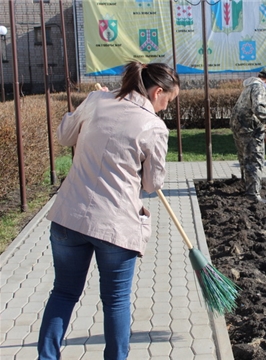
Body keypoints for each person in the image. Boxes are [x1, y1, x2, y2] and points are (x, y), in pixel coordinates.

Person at [37, 61, 180, 360]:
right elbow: (153, 184)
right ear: (157, 92)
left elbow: (65, 136)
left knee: (63, 293)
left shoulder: (96, 100)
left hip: (69, 217)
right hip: (115, 226)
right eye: (168, 101)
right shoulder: (154, 126)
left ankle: (46, 357)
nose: (166, 108)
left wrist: (90, 105)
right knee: (115, 301)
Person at [230, 66, 266, 204]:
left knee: (245, 158)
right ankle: (252, 194)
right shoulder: (259, 88)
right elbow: (259, 108)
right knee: (255, 160)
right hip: (250, 128)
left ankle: (247, 186)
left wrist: (264, 131)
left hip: (239, 127)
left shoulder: (250, 86)